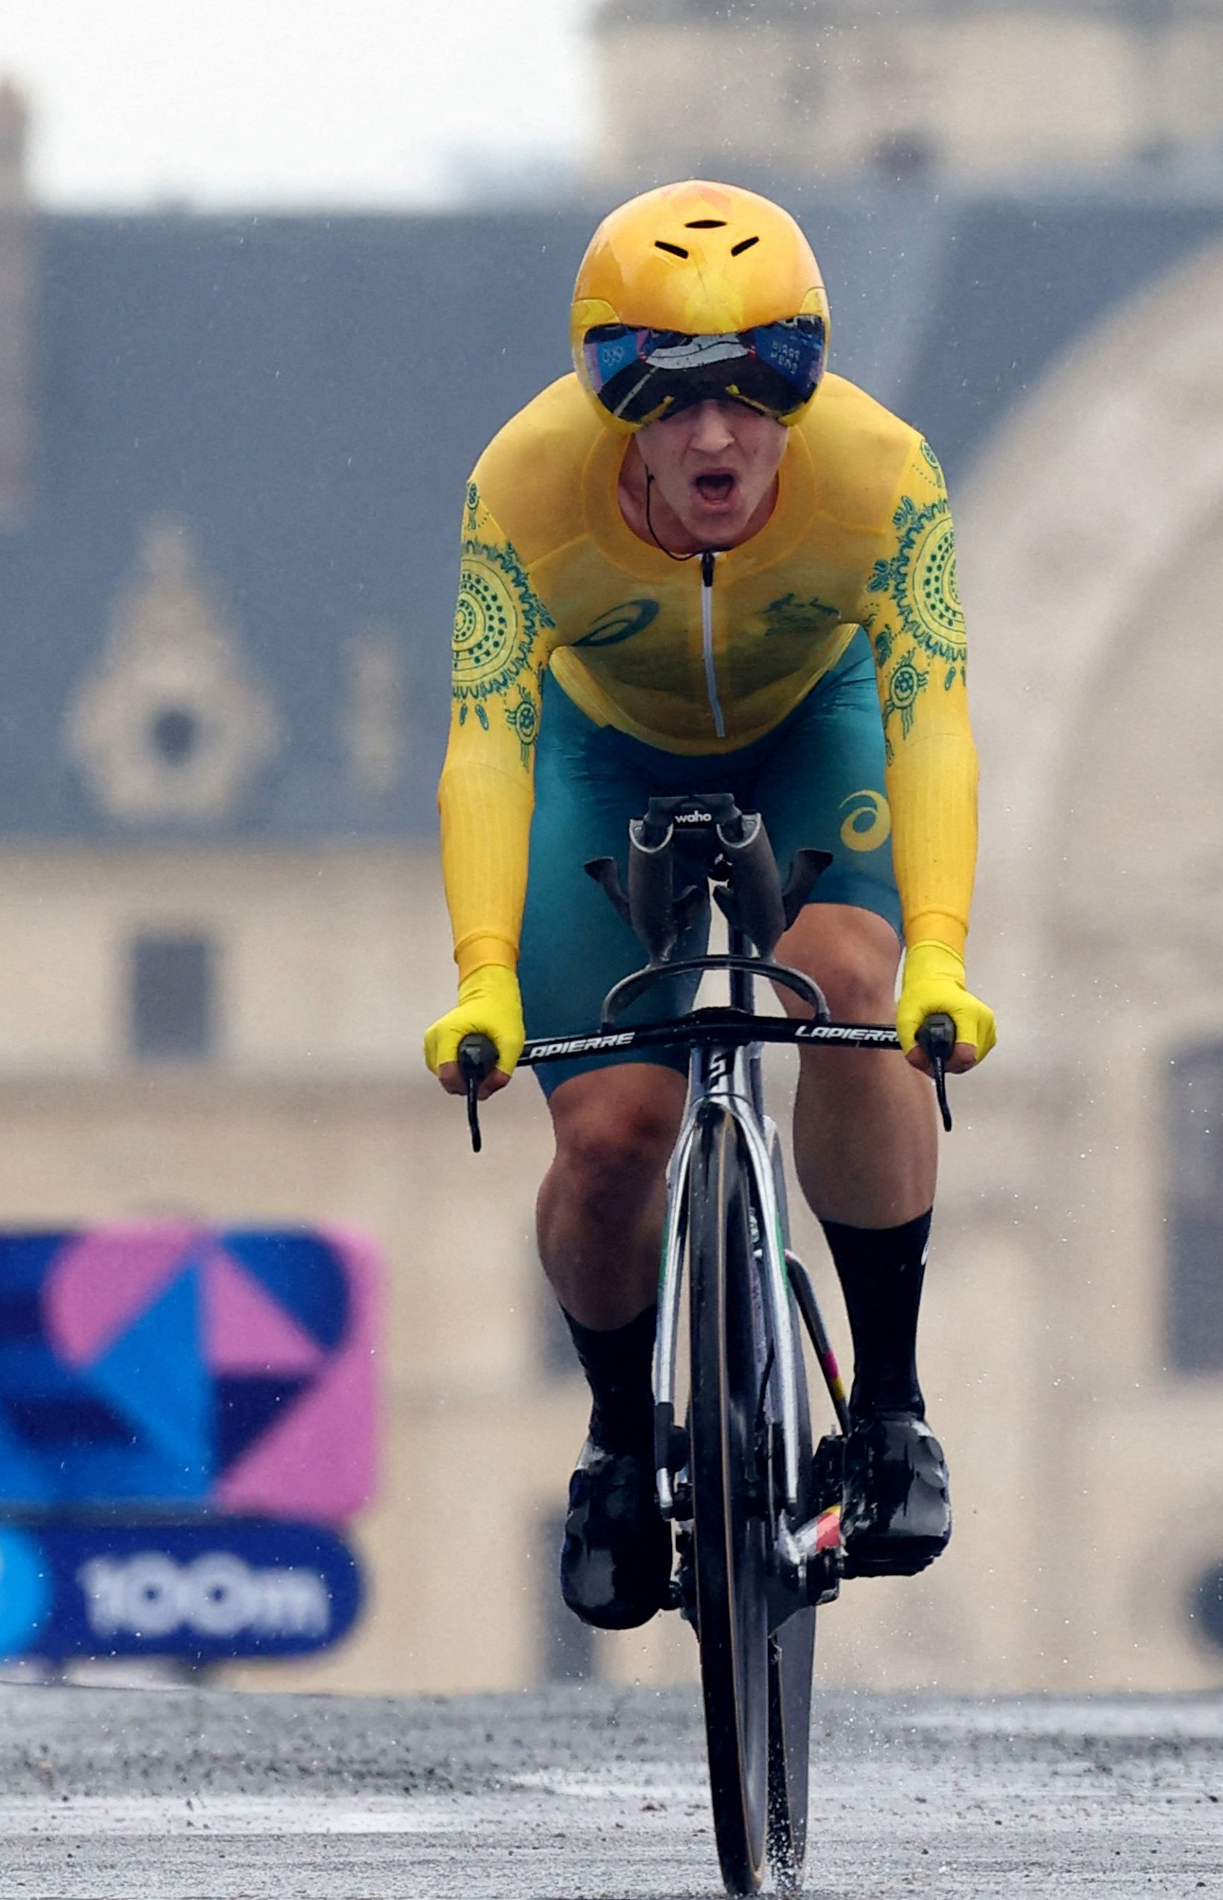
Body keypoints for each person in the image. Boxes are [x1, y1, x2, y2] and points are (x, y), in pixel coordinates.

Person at [420, 181, 993, 1629]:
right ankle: (621, 1441)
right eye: (671, 402)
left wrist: (940, 957)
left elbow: (931, 717)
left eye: (758, 391)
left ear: (805, 387)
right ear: (610, 402)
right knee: (616, 1134)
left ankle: (888, 1409)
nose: (720, 437)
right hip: (601, 755)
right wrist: (485, 973)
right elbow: (487, 736)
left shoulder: (886, 471)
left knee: (852, 982)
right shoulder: (519, 486)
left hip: (818, 727)